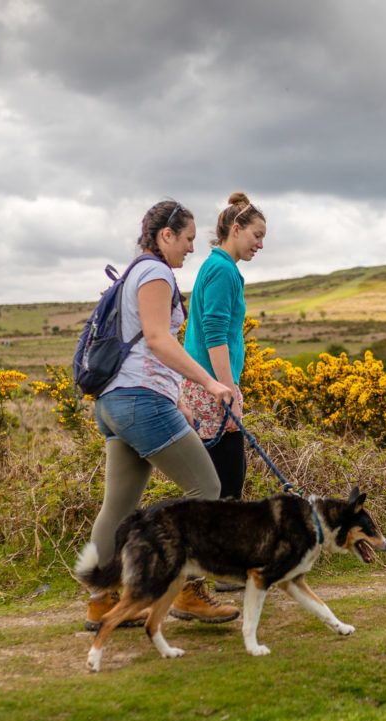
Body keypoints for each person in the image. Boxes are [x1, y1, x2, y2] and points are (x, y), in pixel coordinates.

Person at [82, 199, 241, 630]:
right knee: (207, 489)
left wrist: (179, 398)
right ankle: (186, 594)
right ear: (165, 235)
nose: (191, 248)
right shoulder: (155, 272)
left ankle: (101, 601)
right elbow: (155, 339)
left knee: (117, 506)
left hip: (114, 403)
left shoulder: (135, 270)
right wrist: (209, 383)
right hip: (141, 402)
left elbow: (140, 344)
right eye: (187, 239)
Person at [180, 192, 266, 502]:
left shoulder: (219, 267)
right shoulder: (222, 270)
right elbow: (214, 336)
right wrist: (230, 396)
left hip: (209, 386)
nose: (260, 244)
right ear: (237, 228)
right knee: (226, 491)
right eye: (256, 235)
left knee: (217, 487)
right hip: (213, 390)